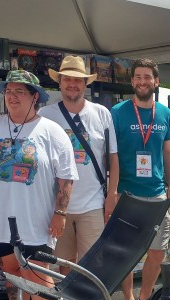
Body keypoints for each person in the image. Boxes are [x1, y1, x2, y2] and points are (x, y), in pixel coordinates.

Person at [0, 70, 77, 300]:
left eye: (20, 91)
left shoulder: (52, 131)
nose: (12, 96)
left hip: (36, 221)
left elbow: (66, 178)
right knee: (11, 275)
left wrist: (60, 213)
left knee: (36, 275)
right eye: (8, 91)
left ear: (34, 97)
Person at [39, 55, 118, 273]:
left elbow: (113, 157)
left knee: (92, 268)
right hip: (56, 206)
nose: (72, 84)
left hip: (92, 204)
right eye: (67, 79)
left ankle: (84, 299)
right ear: (60, 82)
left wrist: (112, 195)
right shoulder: (45, 115)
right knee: (61, 266)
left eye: (77, 80)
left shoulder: (102, 113)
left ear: (85, 84)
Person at [110, 58, 170, 300]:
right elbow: (111, 154)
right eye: (138, 77)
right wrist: (112, 191)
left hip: (157, 194)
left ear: (156, 81)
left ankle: (145, 299)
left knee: (157, 251)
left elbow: (168, 151)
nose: (142, 81)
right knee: (125, 252)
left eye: (147, 77)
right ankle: (128, 299)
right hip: (127, 193)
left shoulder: (165, 113)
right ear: (132, 81)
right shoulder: (118, 112)